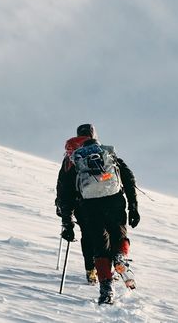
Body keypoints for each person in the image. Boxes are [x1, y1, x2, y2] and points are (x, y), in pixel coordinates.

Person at [56, 123, 140, 305]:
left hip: (88, 206)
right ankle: (120, 256)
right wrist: (133, 206)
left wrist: (67, 222)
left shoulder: (73, 158)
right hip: (114, 200)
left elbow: (65, 192)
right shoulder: (106, 153)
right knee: (119, 234)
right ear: (94, 135)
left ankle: (106, 288)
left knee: (100, 245)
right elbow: (127, 176)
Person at [55, 124, 98, 284]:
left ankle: (90, 270)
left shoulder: (70, 155)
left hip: (78, 203)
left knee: (87, 235)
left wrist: (62, 207)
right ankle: (107, 268)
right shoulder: (97, 152)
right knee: (103, 234)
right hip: (98, 200)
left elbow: (62, 183)